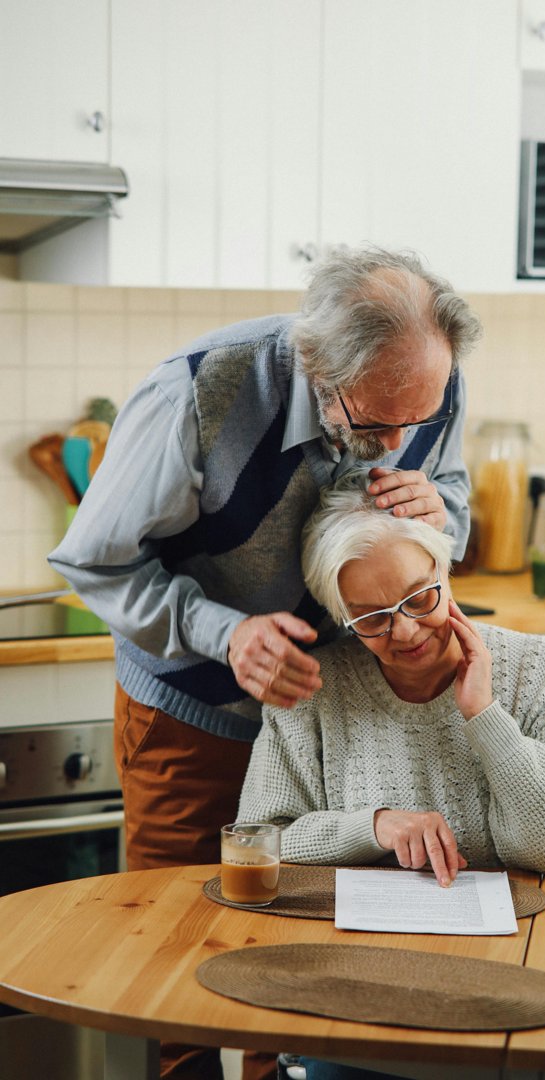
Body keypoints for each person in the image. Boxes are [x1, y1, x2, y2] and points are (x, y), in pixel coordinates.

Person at [47, 247, 481, 1080]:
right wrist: (225, 633)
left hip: (344, 716)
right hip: (196, 712)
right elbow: (93, 563)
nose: (396, 443)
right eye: (374, 420)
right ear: (317, 365)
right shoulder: (200, 393)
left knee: (311, 954)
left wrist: (443, 508)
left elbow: (446, 499)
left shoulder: (426, 384)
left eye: (414, 423)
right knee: (178, 963)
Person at [239, 472, 545, 1080]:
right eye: (371, 619)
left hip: (515, 977)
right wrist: (375, 827)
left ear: (447, 574)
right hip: (358, 992)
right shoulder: (313, 690)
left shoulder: (543, 669)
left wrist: (484, 715)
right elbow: (259, 844)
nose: (407, 631)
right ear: (342, 618)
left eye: (421, 598)